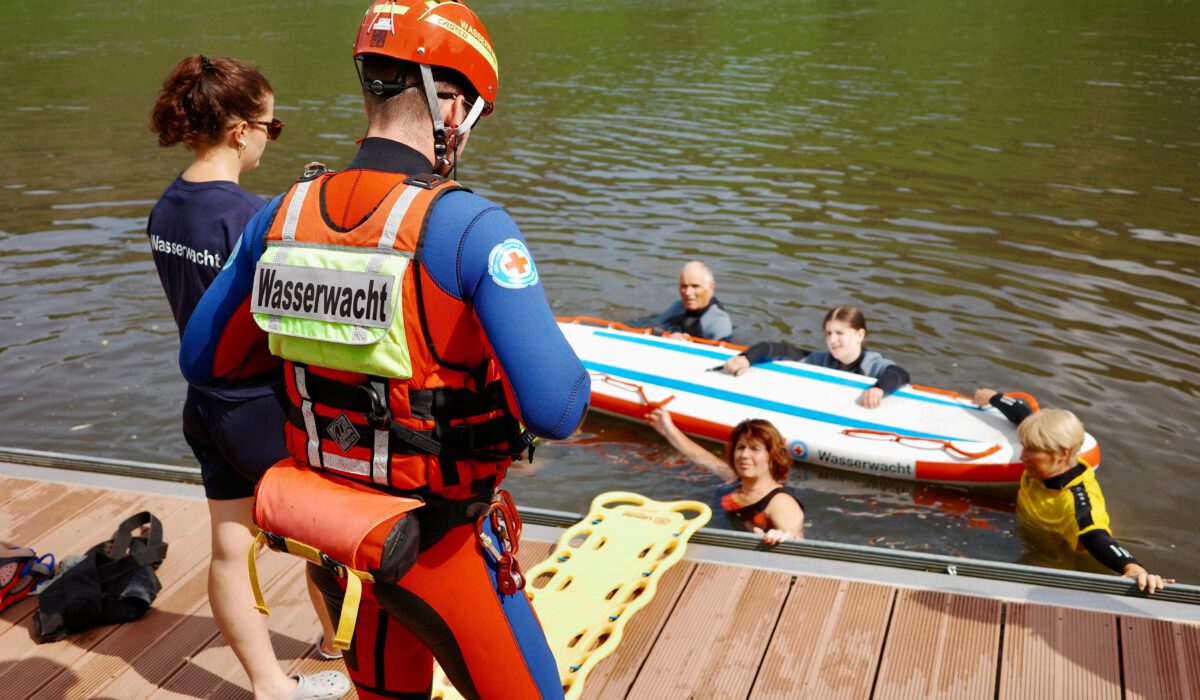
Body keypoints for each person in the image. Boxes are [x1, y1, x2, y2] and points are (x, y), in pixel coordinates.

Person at [178, 3, 590, 698]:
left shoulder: (283, 213)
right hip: (445, 546)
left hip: (341, 539)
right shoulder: (470, 227)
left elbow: (206, 361)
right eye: (473, 111)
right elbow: (556, 408)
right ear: (448, 100)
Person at [147, 54, 349, 700]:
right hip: (264, 411)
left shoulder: (164, 211)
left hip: (204, 409)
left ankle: (269, 685)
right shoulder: (254, 217)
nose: (270, 136)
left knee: (231, 551)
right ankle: (350, 655)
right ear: (240, 130)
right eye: (272, 125)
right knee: (333, 544)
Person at [973, 390, 1172, 594]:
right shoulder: (1047, 455)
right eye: (1024, 446)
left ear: (1062, 453)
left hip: (1051, 556)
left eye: (1031, 450)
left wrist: (1132, 567)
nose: (1022, 456)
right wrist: (995, 398)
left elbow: (1096, 537)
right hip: (1021, 525)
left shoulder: (1077, 501)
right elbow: (1023, 415)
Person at [646, 409, 804, 545]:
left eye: (755, 449)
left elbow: (797, 541)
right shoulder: (735, 481)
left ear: (773, 457)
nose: (744, 455)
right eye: (741, 447)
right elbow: (701, 457)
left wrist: (781, 538)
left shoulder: (781, 502)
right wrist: (667, 429)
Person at [723, 305, 909, 409]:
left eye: (839, 333)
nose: (832, 340)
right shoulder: (821, 360)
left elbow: (899, 373)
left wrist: (879, 389)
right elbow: (776, 348)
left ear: (860, 335)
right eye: (828, 333)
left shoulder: (872, 363)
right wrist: (746, 358)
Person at [634, 260, 734, 341]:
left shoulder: (719, 323)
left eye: (695, 286)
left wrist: (685, 345)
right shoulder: (678, 307)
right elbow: (653, 324)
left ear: (711, 287)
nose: (687, 292)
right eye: (684, 286)